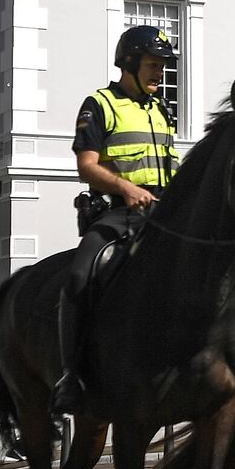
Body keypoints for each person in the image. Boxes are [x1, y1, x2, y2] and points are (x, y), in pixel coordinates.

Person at [52, 24, 181, 413]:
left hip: (165, 215)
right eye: (153, 64)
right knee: (80, 274)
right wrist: (126, 188)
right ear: (129, 64)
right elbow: (86, 167)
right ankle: (71, 375)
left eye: (163, 65)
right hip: (121, 213)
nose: (160, 72)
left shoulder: (161, 110)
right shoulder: (100, 104)